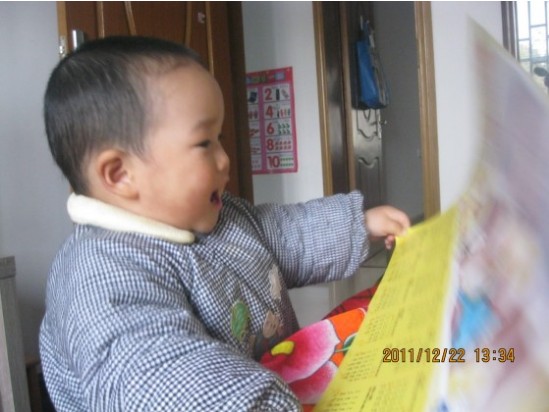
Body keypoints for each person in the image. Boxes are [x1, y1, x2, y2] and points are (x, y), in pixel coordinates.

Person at [39, 36, 410, 411]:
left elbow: (280, 234)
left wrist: (358, 225)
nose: (225, 159)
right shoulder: (100, 276)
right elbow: (160, 381)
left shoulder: (220, 216)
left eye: (220, 138)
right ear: (120, 174)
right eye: (204, 143)